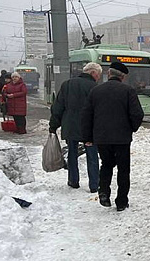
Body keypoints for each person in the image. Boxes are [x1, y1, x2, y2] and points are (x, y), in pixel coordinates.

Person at [81, 61, 144, 211]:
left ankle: (103, 192)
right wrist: (131, 128)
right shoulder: (128, 91)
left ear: (108, 74)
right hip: (122, 138)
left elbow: (86, 116)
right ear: (123, 77)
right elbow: (137, 114)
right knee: (123, 169)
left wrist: (88, 137)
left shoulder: (96, 91)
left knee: (106, 165)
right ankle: (121, 201)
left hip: (101, 137)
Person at [49, 62, 101, 192]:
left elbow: (58, 107)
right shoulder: (94, 87)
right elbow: (99, 110)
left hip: (70, 125)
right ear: (93, 73)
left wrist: (53, 125)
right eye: (98, 75)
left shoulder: (67, 84)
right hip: (89, 128)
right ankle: (94, 185)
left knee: (72, 154)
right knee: (92, 156)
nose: (98, 78)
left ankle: (73, 181)